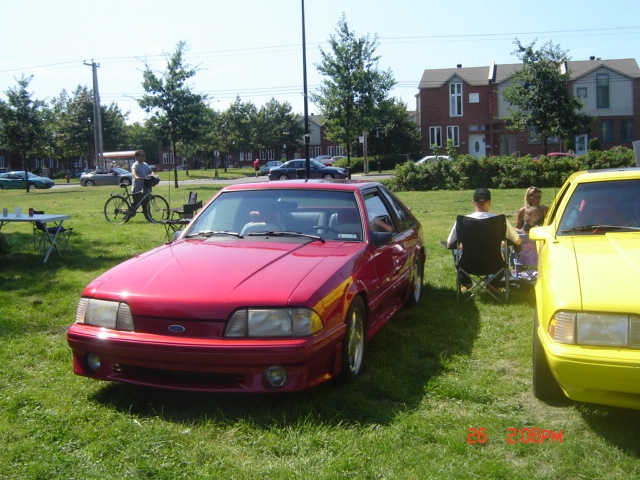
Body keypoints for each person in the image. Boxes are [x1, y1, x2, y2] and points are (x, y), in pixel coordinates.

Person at [446, 188, 521, 292]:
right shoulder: (500, 220)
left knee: (455, 250)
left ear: (473, 202)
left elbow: (449, 244)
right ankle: (492, 282)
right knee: (505, 250)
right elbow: (517, 241)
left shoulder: (462, 221)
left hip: (468, 264)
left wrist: (466, 245)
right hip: (495, 264)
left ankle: (465, 282)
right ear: (489, 202)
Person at [131, 150, 153, 221]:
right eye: (142, 155)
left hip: (146, 187)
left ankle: (149, 218)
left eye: (144, 155)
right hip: (137, 188)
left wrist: (153, 174)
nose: (144, 156)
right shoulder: (135, 165)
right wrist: (136, 176)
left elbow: (150, 171)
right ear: (137, 157)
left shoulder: (146, 164)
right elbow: (133, 171)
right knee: (136, 205)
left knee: (146, 203)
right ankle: (126, 216)